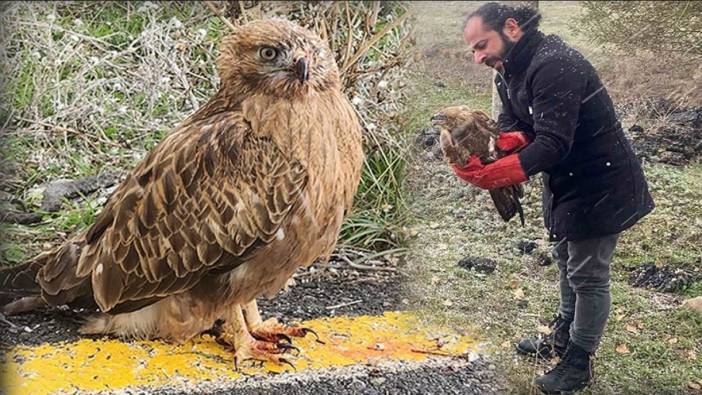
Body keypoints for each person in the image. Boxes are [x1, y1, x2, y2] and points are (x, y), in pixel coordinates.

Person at [454, 2, 655, 393]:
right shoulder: (508, 71)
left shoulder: (555, 64)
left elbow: (553, 143)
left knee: (589, 275)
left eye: (482, 45)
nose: (479, 58)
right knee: (565, 257)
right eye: (473, 51)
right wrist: (504, 143)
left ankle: (579, 362)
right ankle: (563, 332)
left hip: (603, 180)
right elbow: (514, 122)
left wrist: (493, 174)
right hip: (565, 180)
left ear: (512, 28)